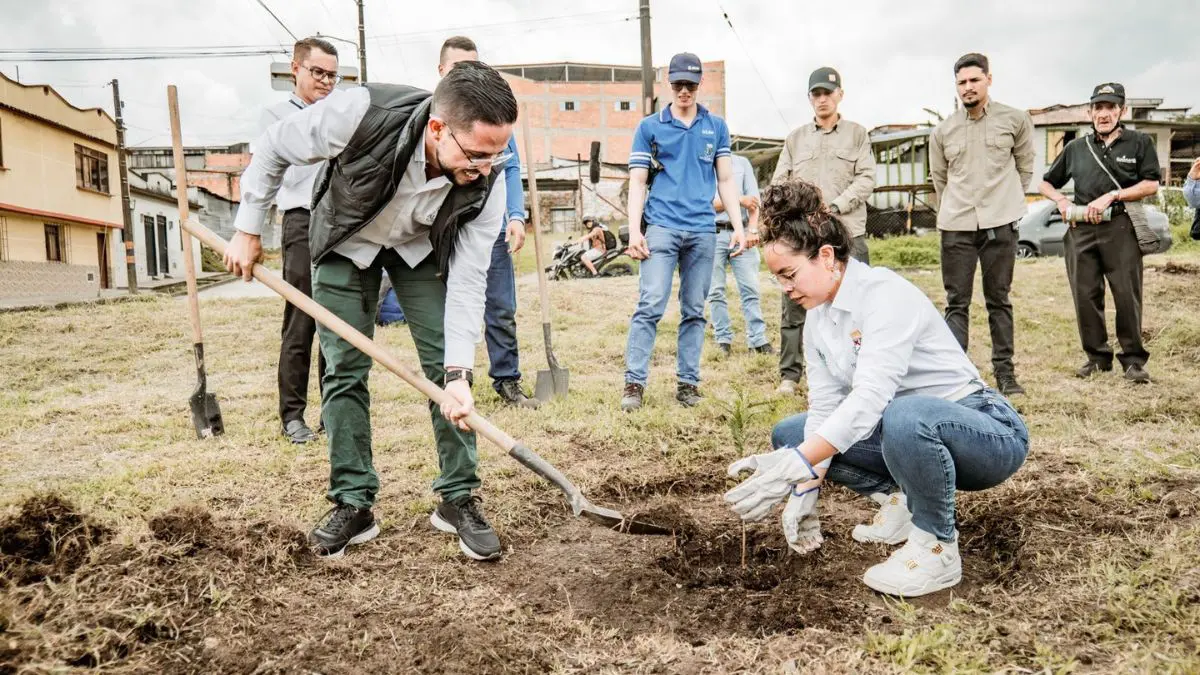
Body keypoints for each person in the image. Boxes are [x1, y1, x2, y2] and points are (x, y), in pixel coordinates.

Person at [224, 61, 518, 561]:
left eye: (498, 155)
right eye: (477, 155)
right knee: (343, 369)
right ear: (438, 128)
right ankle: (353, 502)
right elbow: (274, 146)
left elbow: (470, 282)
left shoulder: (488, 181)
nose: (486, 169)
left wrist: (460, 372)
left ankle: (458, 496)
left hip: (418, 249)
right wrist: (249, 228)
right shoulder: (359, 112)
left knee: (442, 374)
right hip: (346, 242)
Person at [724, 180, 1029, 597]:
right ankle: (902, 503)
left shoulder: (884, 295)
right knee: (792, 435)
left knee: (901, 415)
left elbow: (870, 399)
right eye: (777, 278)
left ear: (826, 256)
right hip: (905, 432)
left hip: (983, 432)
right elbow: (826, 407)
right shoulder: (819, 316)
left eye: (789, 274)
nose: (786, 288)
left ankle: (937, 546)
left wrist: (797, 465)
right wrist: (806, 488)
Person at [621, 52, 746, 411]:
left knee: (694, 309)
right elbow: (637, 182)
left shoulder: (716, 126)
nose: (684, 90)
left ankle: (688, 383)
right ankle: (634, 383)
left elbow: (725, 179)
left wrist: (738, 227)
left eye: (690, 84)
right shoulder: (650, 127)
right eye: (678, 84)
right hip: (661, 227)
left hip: (702, 231)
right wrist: (634, 231)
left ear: (699, 84)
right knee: (650, 303)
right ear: (669, 84)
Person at [1038, 82, 1161, 384]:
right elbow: (1045, 183)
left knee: (1126, 294)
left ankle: (1133, 361)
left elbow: (1151, 184)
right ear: (1090, 112)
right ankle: (1097, 358)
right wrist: (1062, 200)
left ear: (1122, 110)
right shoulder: (1076, 148)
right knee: (1085, 295)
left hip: (1120, 227)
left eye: (1110, 107)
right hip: (1081, 230)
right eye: (1098, 108)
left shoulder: (1139, 142)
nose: (1104, 114)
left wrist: (1114, 196)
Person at [438, 36, 537, 409]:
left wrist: (515, 215)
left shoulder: (493, 124)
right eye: (458, 68)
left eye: (474, 67)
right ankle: (453, 379)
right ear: (442, 71)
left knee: (499, 305)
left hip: (490, 229)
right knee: (447, 307)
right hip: (445, 232)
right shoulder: (435, 121)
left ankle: (507, 378)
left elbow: (508, 168)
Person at [929, 53, 1035, 397]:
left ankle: (1006, 374)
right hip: (957, 225)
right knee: (956, 302)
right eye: (962, 82)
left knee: (998, 299)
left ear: (989, 79)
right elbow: (940, 180)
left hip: (1000, 223)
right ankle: (956, 377)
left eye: (974, 80)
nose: (968, 87)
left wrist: (1005, 205)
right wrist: (956, 210)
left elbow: (1024, 167)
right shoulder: (943, 131)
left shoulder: (1015, 120)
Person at [771, 67, 875, 395]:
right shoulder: (796, 139)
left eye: (828, 93)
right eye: (816, 94)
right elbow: (779, 182)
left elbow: (867, 179)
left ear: (840, 95)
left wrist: (834, 207)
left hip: (846, 234)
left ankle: (859, 369)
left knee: (854, 305)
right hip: (803, 241)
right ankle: (790, 375)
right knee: (794, 305)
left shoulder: (857, 134)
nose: (822, 99)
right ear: (809, 99)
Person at [262, 37, 338, 444]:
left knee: (335, 321)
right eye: (317, 72)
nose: (325, 82)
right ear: (296, 69)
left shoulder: (341, 113)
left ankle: (333, 410)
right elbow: (284, 173)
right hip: (300, 219)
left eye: (332, 75)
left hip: (339, 222)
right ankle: (293, 416)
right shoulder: (275, 116)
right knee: (301, 321)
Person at [708, 152, 772, 356]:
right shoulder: (702, 164)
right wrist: (738, 199)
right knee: (716, 290)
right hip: (712, 233)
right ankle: (723, 339)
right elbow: (704, 205)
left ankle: (758, 339)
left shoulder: (742, 163)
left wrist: (752, 230)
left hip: (742, 231)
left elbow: (754, 202)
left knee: (750, 288)